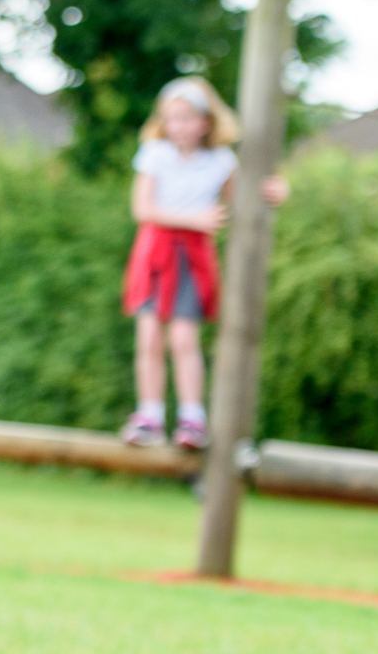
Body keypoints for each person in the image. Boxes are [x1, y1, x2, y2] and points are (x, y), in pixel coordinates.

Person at [117, 76, 285, 449]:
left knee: (183, 338)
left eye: (185, 118)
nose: (177, 126)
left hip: (192, 257)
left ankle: (192, 419)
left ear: (205, 122)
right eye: (170, 118)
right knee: (149, 336)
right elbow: (143, 209)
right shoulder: (155, 154)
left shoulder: (221, 161)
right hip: (155, 252)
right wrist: (193, 219)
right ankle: (149, 417)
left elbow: (245, 197)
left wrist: (275, 190)